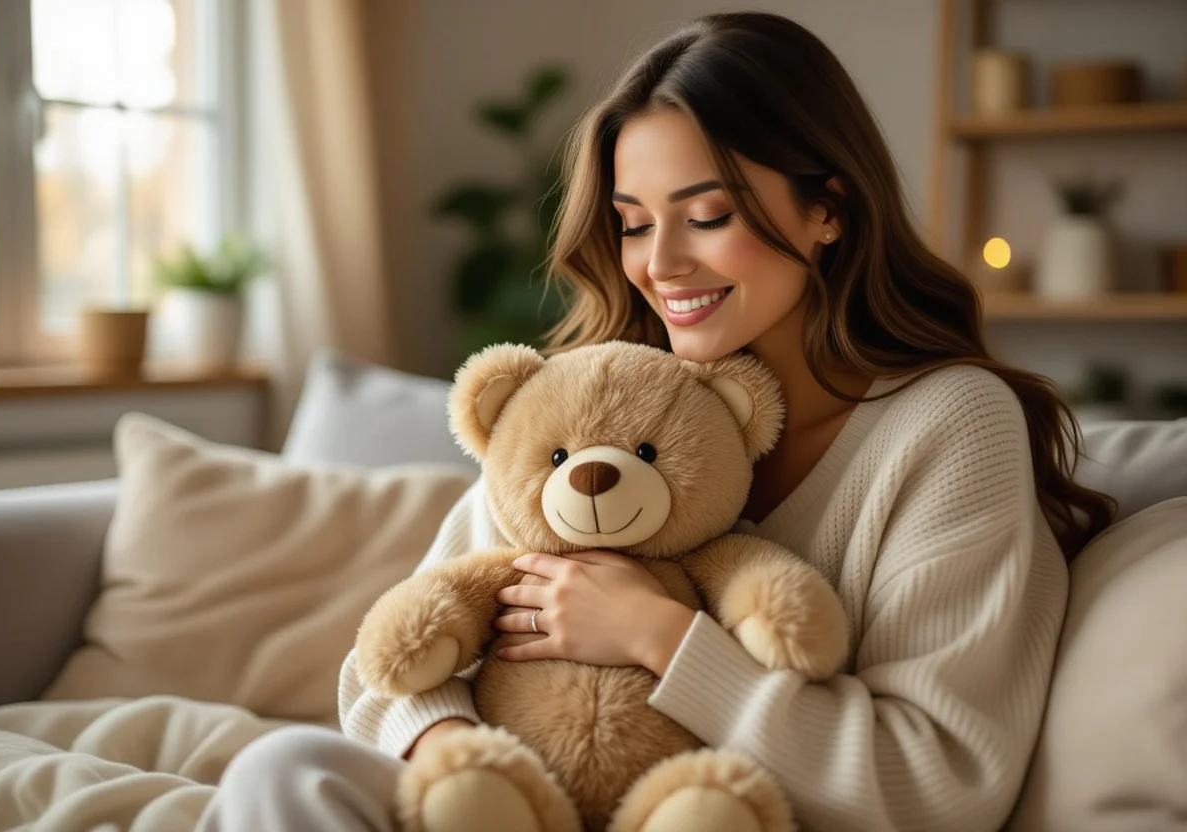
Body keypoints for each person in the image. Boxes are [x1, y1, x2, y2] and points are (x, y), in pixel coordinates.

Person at [198, 11, 1114, 832]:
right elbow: (383, 673)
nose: (660, 263)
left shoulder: (949, 424)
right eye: (634, 224)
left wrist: (661, 638)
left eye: (707, 216)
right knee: (287, 770)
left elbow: (936, 786)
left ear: (827, 211)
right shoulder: (600, 394)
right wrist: (463, 769)